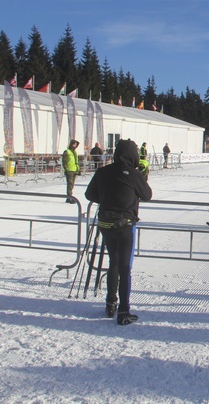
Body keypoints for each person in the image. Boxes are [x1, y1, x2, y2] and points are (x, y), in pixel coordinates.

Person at [85, 139, 152, 325]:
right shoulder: (133, 174)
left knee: (113, 262)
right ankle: (124, 310)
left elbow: (89, 195)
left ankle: (110, 303)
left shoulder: (103, 171)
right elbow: (147, 195)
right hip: (125, 225)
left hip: (106, 224)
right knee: (124, 267)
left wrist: (107, 197)